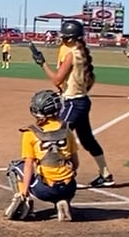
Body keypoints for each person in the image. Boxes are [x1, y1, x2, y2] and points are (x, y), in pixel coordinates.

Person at [40, 18, 113, 187]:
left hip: (73, 103)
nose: (62, 38)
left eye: (64, 36)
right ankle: (105, 174)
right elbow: (86, 80)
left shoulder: (71, 54)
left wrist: (42, 64)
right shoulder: (81, 53)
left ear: (71, 38)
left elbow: (57, 80)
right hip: (82, 100)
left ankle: (63, 176)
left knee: (57, 137)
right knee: (87, 140)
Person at [3, 89, 79, 222]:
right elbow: (75, 163)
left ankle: (24, 201)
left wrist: (24, 191)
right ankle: (63, 200)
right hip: (69, 188)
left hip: (44, 190)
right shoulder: (67, 130)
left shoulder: (30, 133)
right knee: (64, 174)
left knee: (15, 167)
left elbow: (28, 166)